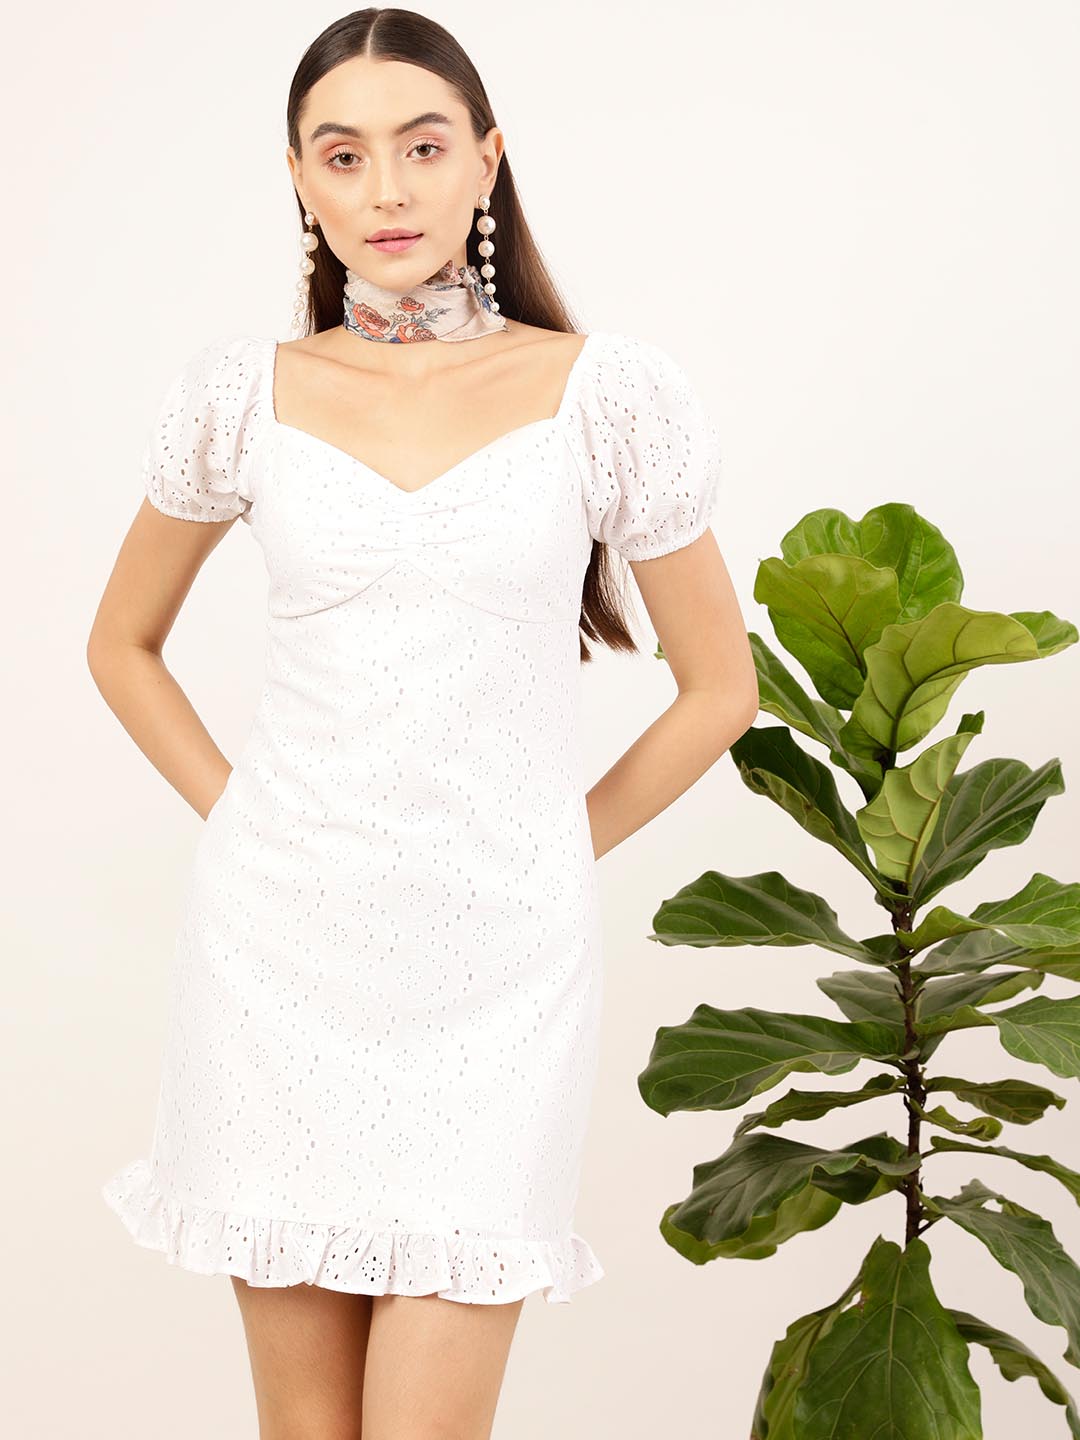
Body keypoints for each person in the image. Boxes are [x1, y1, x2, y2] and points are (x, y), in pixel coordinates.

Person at [86, 9, 759, 1438]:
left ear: (486, 161)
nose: (386, 190)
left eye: (423, 146)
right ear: (299, 180)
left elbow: (720, 688)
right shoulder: (242, 396)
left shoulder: (604, 395)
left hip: (498, 975)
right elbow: (121, 645)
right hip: (276, 961)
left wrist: (552, 848)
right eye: (343, 156)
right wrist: (247, 819)